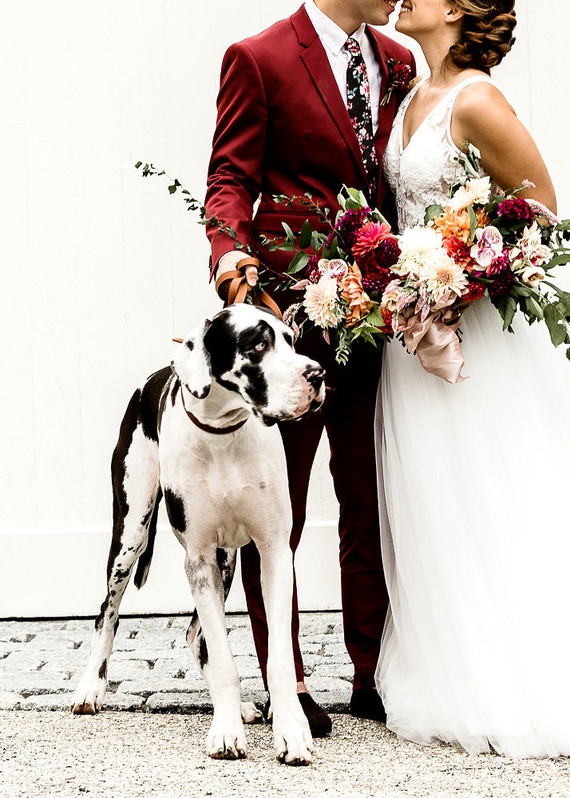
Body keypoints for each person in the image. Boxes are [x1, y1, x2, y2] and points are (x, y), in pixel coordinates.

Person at [205, 0, 415, 735]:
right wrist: (231, 252)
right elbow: (229, 177)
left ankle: (373, 671)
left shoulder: (398, 60)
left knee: (370, 493)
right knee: (279, 506)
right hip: (290, 323)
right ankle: (284, 680)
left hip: (378, 317)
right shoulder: (258, 57)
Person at [376, 0, 570, 757]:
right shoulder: (413, 94)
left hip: (471, 329)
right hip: (412, 327)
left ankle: (519, 678)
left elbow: (543, 209)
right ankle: (454, 668)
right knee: (435, 492)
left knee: (492, 488)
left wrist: (462, 272)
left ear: (457, 7)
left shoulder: (478, 98)